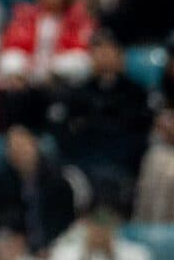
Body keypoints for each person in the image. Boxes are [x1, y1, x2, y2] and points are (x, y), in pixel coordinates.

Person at [51, 28, 153, 190]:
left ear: (120, 55)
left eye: (108, 48)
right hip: (84, 164)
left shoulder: (136, 92)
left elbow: (140, 134)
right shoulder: (77, 92)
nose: (103, 54)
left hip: (123, 165)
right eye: (97, 49)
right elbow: (63, 131)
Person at [0, 0, 96, 119]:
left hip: (61, 82)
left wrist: (55, 70)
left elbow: (85, 57)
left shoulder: (79, 19)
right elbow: (9, 49)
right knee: (12, 96)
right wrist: (18, 71)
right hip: (27, 80)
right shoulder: (22, 18)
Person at [0, 124, 79, 254]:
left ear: (35, 144)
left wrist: (49, 246)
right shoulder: (5, 187)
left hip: (59, 247)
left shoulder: (60, 179)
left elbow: (71, 220)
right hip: (25, 253)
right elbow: (1, 222)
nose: (20, 152)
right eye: (14, 148)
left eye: (23, 144)